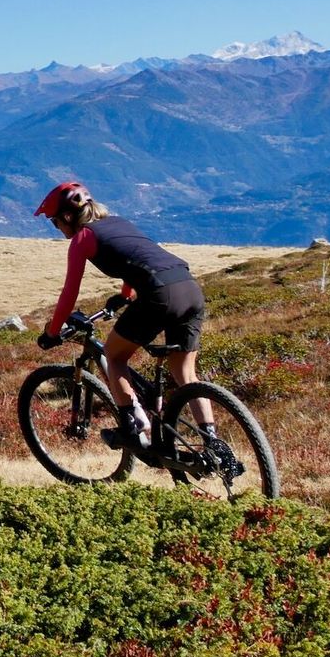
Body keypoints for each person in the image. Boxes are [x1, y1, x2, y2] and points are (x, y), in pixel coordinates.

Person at [33, 181, 239, 472]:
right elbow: (136, 256)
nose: (56, 228)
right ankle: (213, 444)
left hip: (159, 294)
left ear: (68, 217)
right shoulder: (119, 222)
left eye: (55, 222)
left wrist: (52, 333)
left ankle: (134, 423)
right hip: (190, 289)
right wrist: (126, 294)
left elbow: (69, 294)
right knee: (185, 373)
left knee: (114, 357)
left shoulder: (83, 238)